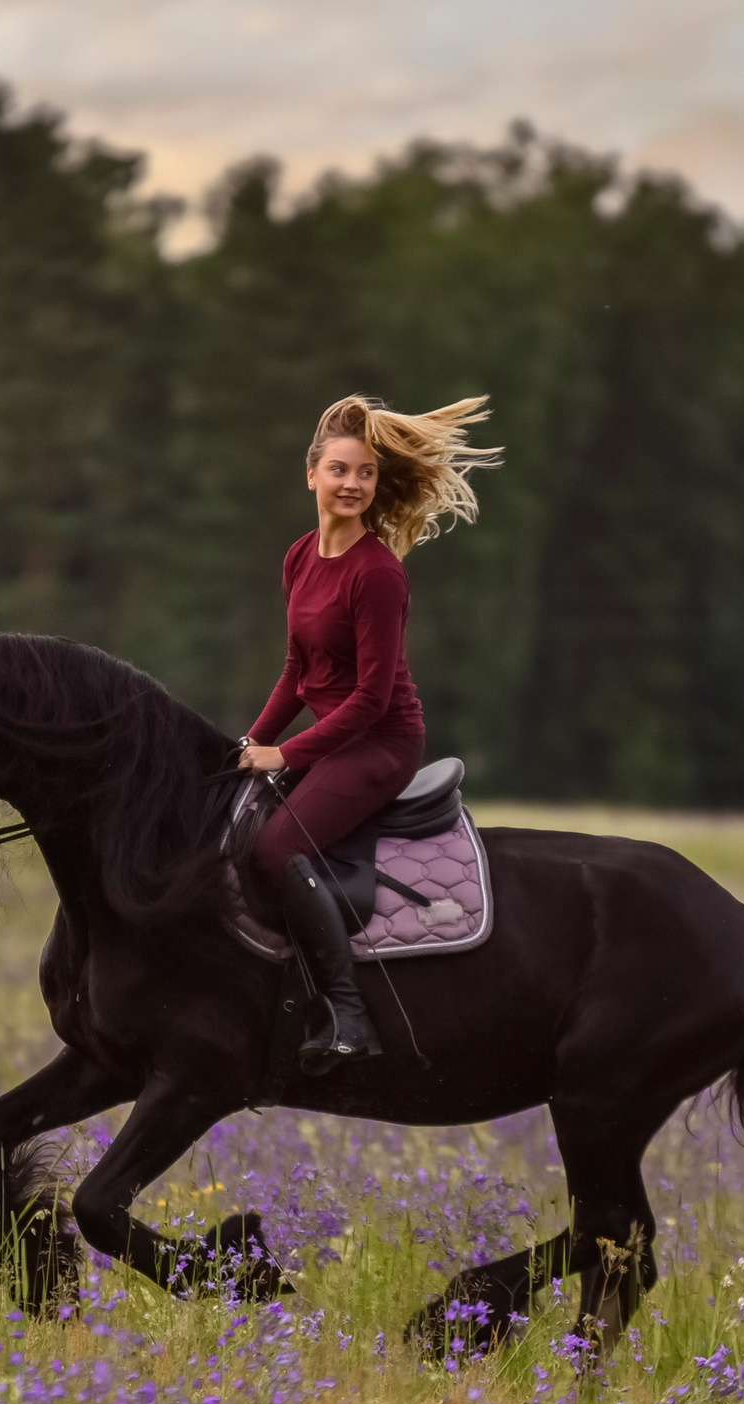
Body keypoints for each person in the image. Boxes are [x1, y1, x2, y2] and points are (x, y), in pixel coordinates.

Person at [238, 393, 502, 1071]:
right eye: (339, 470)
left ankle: (349, 1014)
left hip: (380, 743)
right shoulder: (300, 556)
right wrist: (249, 743)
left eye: (364, 474)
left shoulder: (379, 574)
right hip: (334, 734)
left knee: (274, 849)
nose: (352, 483)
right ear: (312, 475)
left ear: (376, 485)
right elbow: (298, 670)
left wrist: (285, 752)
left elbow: (371, 699)